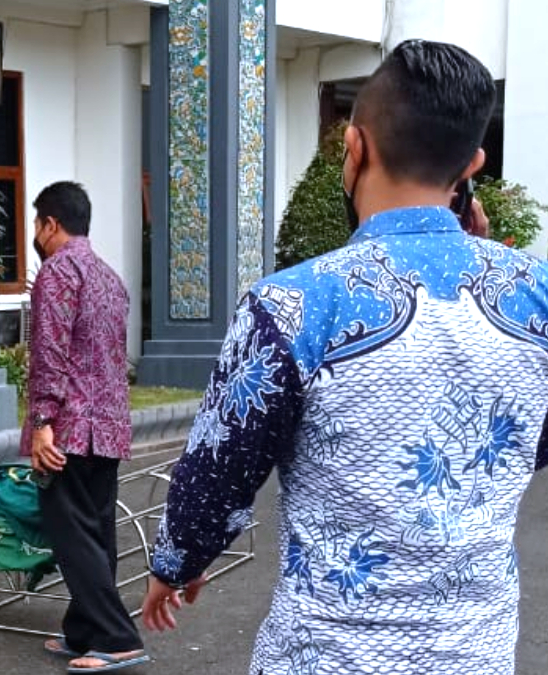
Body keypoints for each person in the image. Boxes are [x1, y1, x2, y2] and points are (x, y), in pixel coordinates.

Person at [141, 41, 544, 675]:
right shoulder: (538, 298)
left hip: (328, 653)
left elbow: (220, 466)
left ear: (354, 148)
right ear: (472, 164)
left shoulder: (292, 305)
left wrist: (178, 563)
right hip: (475, 649)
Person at [22, 181, 147, 672]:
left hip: (69, 428)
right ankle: (84, 630)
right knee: (95, 532)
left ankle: (116, 637)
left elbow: (49, 354)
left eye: (36, 224)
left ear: (51, 224)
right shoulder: (109, 277)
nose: (35, 233)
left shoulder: (57, 272)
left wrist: (42, 422)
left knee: (70, 534)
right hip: (109, 425)